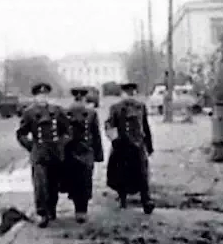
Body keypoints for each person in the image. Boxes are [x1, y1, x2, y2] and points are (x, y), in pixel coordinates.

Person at [16, 82, 70, 228]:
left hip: (55, 153)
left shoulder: (57, 111)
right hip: (39, 153)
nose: (42, 98)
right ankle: (42, 213)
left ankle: (51, 210)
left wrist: (61, 143)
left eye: (45, 95)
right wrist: (31, 146)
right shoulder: (29, 113)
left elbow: (67, 131)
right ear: (35, 97)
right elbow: (21, 133)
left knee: (53, 184)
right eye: (39, 95)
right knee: (40, 185)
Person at [105, 82, 155, 214]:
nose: (129, 96)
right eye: (127, 93)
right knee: (121, 173)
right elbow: (110, 125)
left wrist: (149, 146)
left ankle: (146, 200)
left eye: (131, 93)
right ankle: (122, 199)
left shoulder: (141, 107)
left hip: (138, 145)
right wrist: (115, 140)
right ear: (122, 94)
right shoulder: (115, 108)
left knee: (142, 174)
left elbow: (145, 126)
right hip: (121, 146)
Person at [64, 87, 105, 223]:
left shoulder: (67, 112)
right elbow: (96, 135)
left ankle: (78, 210)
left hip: (71, 151)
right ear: (84, 98)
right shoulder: (91, 113)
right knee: (86, 180)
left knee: (74, 180)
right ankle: (82, 211)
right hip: (87, 152)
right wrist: (99, 155)